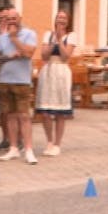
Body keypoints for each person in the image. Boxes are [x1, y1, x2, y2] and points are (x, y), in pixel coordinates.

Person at [0, 7, 39, 164]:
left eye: (14, 18)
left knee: (24, 116)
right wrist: (10, 56)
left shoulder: (29, 34)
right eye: (9, 19)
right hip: (5, 80)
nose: (11, 21)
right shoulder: (2, 37)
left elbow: (29, 53)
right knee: (10, 116)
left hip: (22, 81)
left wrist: (14, 40)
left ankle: (28, 149)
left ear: (20, 18)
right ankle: (13, 148)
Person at [36, 9, 77, 156]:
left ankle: (58, 144)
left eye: (64, 18)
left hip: (61, 71)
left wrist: (60, 40)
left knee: (60, 111)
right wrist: (53, 40)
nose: (61, 20)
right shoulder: (48, 35)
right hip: (48, 70)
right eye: (59, 17)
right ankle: (49, 141)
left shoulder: (71, 36)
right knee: (46, 111)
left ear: (68, 21)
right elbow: (43, 54)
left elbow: (66, 56)